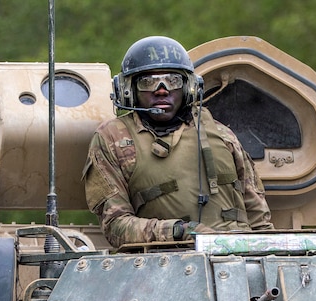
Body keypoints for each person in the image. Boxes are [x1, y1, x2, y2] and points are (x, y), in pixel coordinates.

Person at [83, 35, 273, 249]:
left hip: (236, 258)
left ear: (188, 87)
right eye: (148, 82)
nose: (161, 89)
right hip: (164, 263)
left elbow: (259, 220)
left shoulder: (221, 134)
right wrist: (179, 231)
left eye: (172, 80)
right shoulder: (113, 139)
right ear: (129, 90)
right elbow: (116, 227)